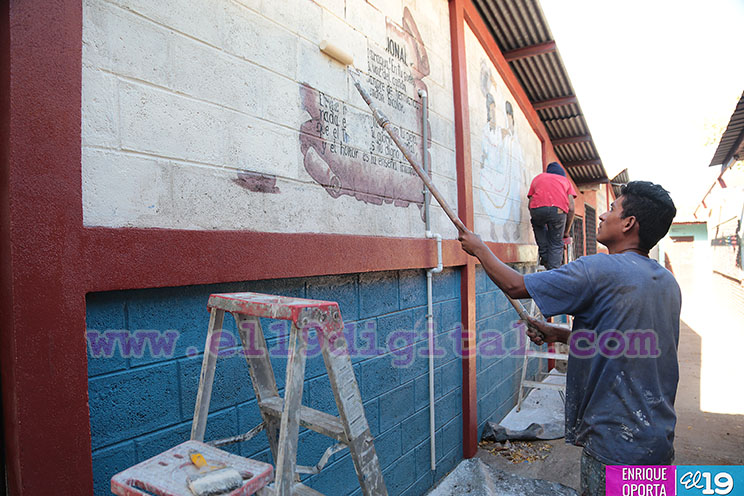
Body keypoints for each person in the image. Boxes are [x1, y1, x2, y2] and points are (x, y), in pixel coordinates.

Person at [459, 181, 679, 496]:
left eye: (613, 209)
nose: (602, 215)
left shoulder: (599, 269)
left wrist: (479, 249)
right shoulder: (666, 282)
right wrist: (559, 334)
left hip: (614, 446)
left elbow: (516, 286)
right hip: (657, 442)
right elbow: (622, 343)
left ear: (629, 223)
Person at [527, 162, 577, 269]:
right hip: (558, 211)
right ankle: (553, 272)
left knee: (538, 226)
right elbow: (571, 208)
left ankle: (545, 257)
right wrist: (566, 232)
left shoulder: (538, 178)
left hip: (536, 209)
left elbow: (529, 204)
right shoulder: (565, 181)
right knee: (556, 243)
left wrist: (537, 214)